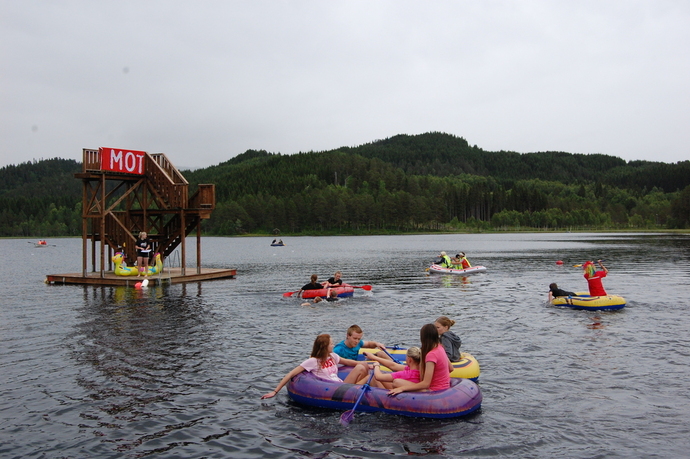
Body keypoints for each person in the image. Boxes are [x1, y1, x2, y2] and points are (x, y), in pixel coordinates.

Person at [260, 334, 371, 399]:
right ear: (324, 346)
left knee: (363, 367)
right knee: (364, 371)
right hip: (334, 389)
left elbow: (348, 362)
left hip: (342, 384)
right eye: (331, 343)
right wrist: (275, 391)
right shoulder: (313, 361)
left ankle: (370, 390)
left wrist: (370, 364)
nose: (333, 345)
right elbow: (291, 374)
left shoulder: (332, 356)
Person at [387, 324, 451, 396]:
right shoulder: (440, 347)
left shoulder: (431, 355)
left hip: (434, 391)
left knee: (396, 382)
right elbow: (451, 368)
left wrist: (402, 388)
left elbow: (426, 384)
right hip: (445, 387)